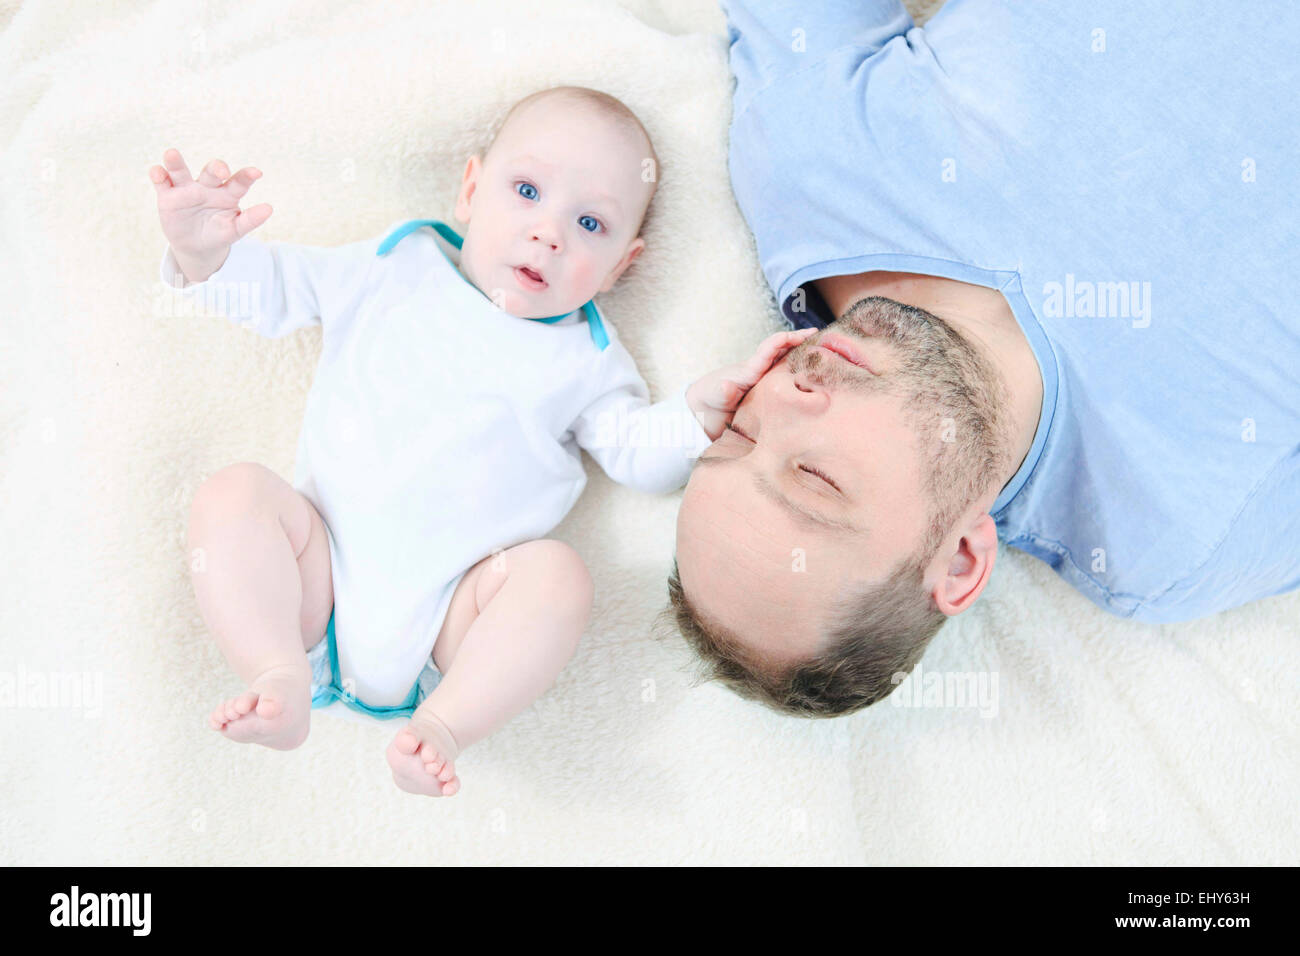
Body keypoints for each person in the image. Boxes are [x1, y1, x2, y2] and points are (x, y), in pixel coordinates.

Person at [153, 85, 805, 794]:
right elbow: (274, 290)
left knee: (557, 577)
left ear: (623, 265)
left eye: (590, 223)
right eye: (526, 190)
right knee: (233, 495)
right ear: (470, 190)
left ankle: (444, 726)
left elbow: (638, 455)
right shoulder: (391, 267)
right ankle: (277, 673)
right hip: (316, 582)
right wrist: (202, 253)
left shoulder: (587, 361)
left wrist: (698, 411)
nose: (549, 232)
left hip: (454, 624)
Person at [668, 0, 1300, 717]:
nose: (783, 396)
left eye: (736, 434)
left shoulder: (807, 164)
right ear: (962, 560)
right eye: (814, 476)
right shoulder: (1173, 542)